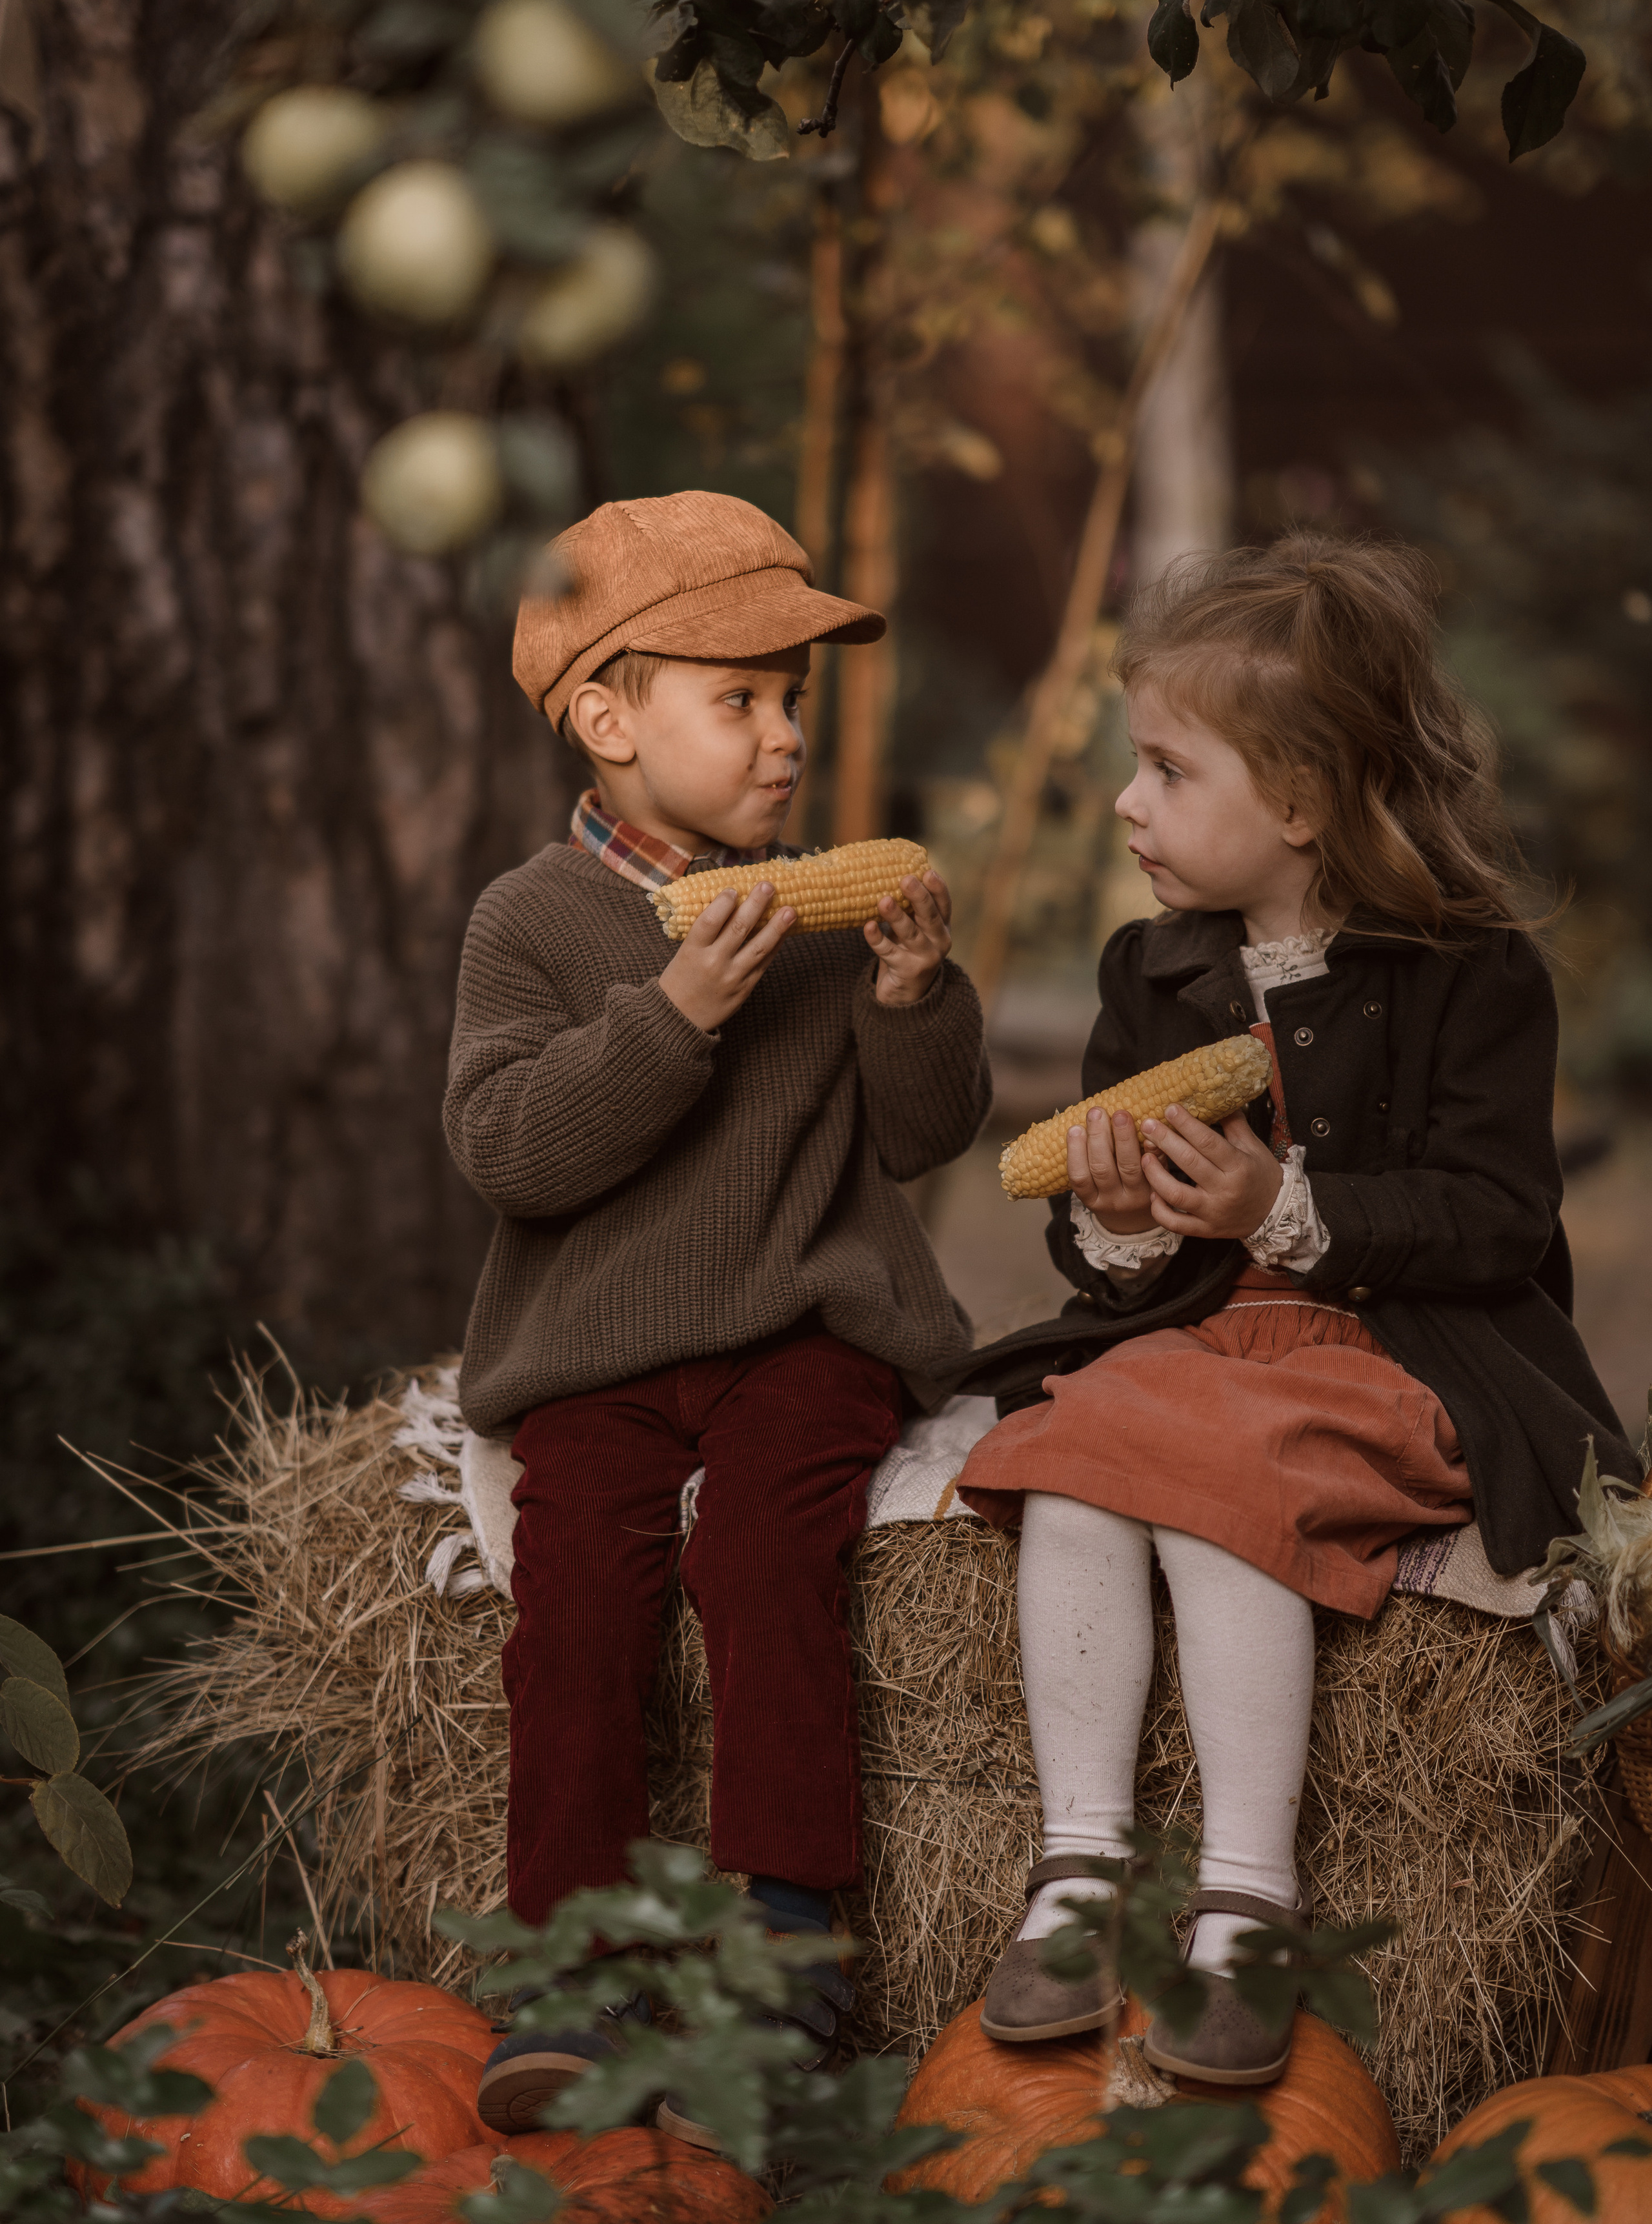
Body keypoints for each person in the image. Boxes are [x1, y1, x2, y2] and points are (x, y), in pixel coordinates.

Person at [956, 532, 1633, 2087]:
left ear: (1299, 805)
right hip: (1204, 1340)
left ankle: (1247, 1901)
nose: (1123, 803)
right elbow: (1104, 1266)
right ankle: (1078, 1866)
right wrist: (1122, 1221)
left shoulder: (1468, 974)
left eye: (1164, 770)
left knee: (1223, 1482)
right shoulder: (1150, 972)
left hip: (1395, 1349)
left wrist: (1285, 1206)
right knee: (1070, 1456)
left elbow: (1496, 1216)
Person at [443, 489, 989, 2138]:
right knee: (578, 1607)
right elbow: (508, 1149)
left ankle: (786, 1931)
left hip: (803, 1333)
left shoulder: (822, 918)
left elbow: (923, 1135)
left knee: (763, 1555)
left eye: (792, 701)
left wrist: (913, 998)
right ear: (608, 722)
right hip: (599, 1352)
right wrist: (667, 1017)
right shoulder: (529, 920)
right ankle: (573, 1963)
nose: (783, 737)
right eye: (737, 698)